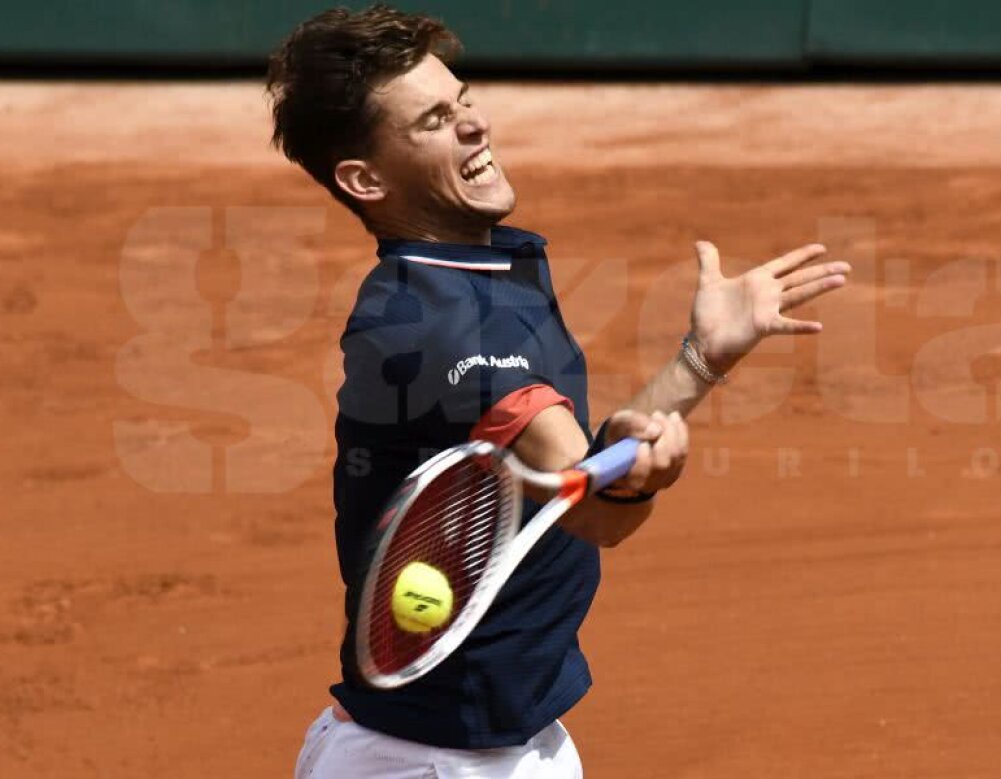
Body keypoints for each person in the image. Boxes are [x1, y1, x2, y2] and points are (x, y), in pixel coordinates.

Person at [266, 5, 850, 777]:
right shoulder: (447, 326)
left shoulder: (468, 274)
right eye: (435, 120)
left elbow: (569, 470)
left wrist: (699, 361)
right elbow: (591, 504)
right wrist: (641, 480)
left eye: (462, 99)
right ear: (365, 177)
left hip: (485, 740)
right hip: (434, 761)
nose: (473, 126)